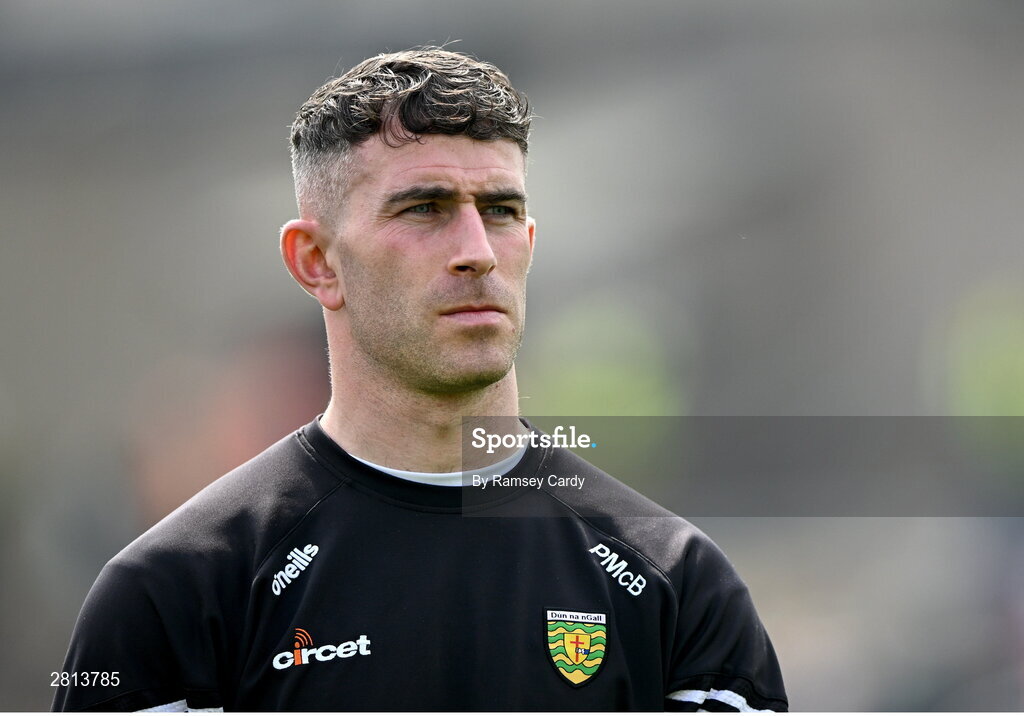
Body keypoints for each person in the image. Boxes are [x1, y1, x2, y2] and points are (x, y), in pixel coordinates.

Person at [53, 47, 787, 712]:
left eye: (500, 211)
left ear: (528, 243)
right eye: (425, 208)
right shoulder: (174, 592)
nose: (476, 251)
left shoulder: (676, 583)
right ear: (315, 260)